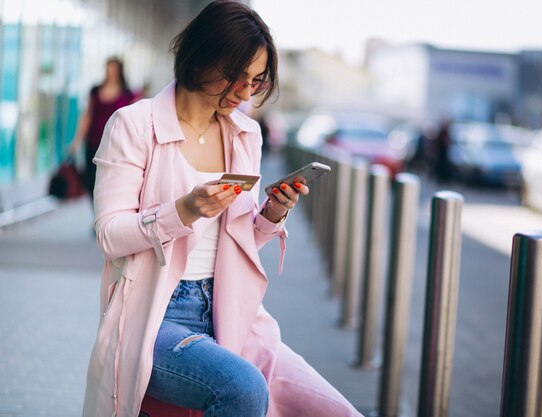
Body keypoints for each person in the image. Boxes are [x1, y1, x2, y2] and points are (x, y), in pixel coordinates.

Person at [81, 1, 364, 417]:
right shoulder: (133, 124)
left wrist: (271, 216)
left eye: (256, 81)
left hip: (230, 309)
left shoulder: (245, 133)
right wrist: (184, 210)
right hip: (153, 318)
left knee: (336, 410)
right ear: (200, 57)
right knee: (243, 389)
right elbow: (109, 234)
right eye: (235, 77)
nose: (245, 93)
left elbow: (240, 238)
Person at [69, 56, 136, 202]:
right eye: (108, 68)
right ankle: (96, 215)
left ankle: (104, 217)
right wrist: (76, 141)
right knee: (90, 180)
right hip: (93, 142)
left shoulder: (127, 94)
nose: (110, 71)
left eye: (114, 68)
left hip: (115, 146)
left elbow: (132, 121)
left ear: (119, 70)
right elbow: (86, 116)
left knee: (110, 182)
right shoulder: (95, 90)